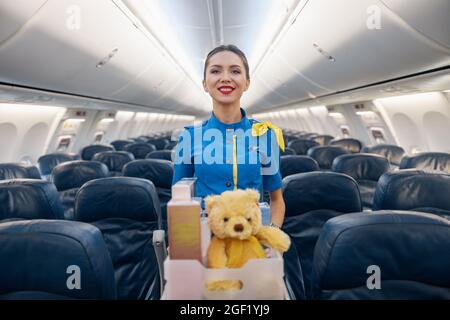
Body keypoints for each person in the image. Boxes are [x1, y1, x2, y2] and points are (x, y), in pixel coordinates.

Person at [172, 44, 285, 228]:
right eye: (216, 71)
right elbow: (179, 202)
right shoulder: (189, 137)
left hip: (253, 241)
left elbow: (276, 200)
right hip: (206, 239)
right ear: (204, 83)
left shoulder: (265, 135)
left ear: (247, 83)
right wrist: (182, 243)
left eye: (235, 71)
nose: (225, 78)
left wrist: (271, 238)